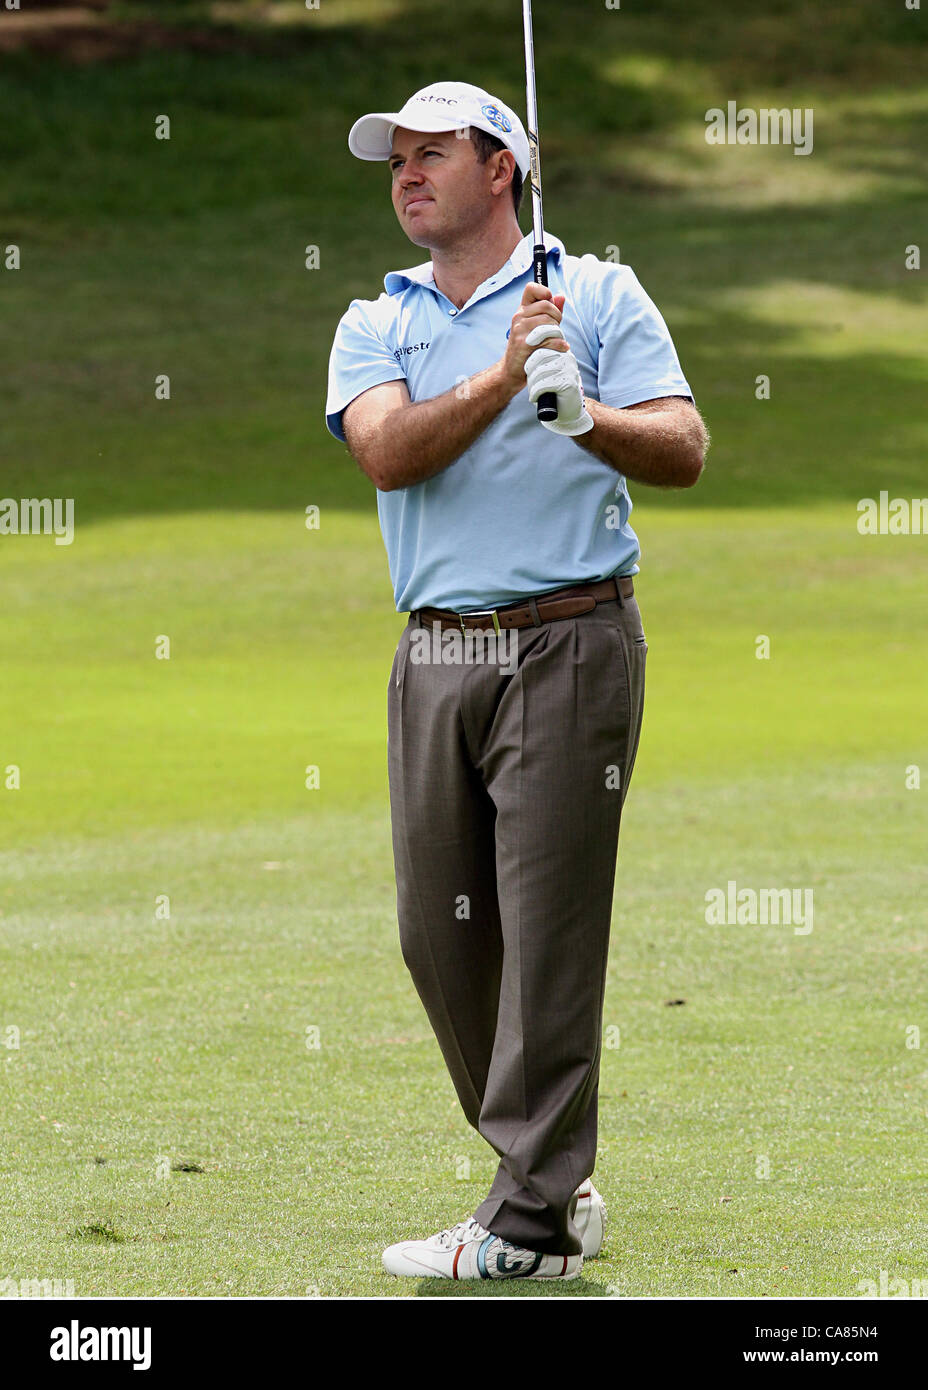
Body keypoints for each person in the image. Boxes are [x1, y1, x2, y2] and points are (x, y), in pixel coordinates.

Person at [325, 80, 707, 1281]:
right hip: (435, 648)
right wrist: (502, 379)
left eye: (433, 153)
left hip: (569, 641)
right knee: (436, 936)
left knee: (546, 936)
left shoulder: (594, 293)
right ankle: (551, 1175)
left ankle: (527, 1227)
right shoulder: (372, 319)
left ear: (503, 167)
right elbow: (387, 451)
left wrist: (580, 413)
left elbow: (685, 447)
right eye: (397, 159)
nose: (406, 173)